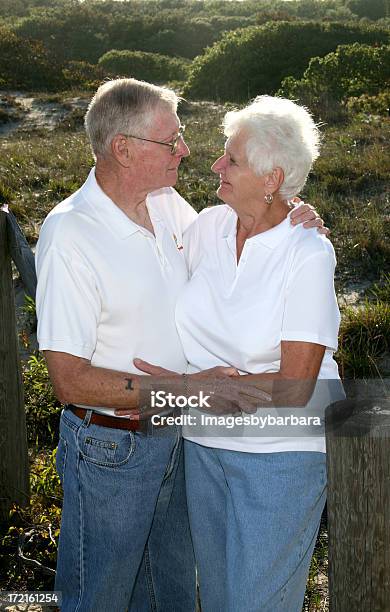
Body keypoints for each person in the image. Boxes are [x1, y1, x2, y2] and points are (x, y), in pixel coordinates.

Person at [35, 78, 325, 611]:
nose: (187, 152)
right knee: (99, 596)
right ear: (124, 149)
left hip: (177, 440)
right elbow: (68, 380)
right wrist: (186, 390)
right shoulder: (70, 234)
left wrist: (293, 212)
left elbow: (246, 237)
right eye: (172, 141)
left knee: (171, 593)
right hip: (111, 448)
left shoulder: (169, 206)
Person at [126, 95, 343, 612]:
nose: (216, 164)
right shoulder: (207, 226)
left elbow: (295, 386)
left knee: (257, 603)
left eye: (233, 159)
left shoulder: (307, 253)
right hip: (203, 447)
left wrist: (203, 390)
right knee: (220, 600)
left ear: (273, 179)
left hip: (278, 458)